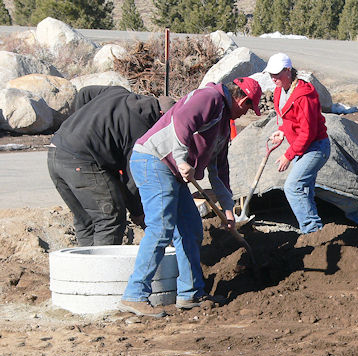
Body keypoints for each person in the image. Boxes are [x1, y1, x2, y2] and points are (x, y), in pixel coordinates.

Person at [118, 77, 262, 317]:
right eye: (249, 107)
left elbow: (219, 170)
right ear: (242, 99)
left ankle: (190, 293)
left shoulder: (224, 124)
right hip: (154, 160)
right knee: (161, 227)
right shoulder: (210, 97)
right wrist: (182, 158)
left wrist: (228, 209)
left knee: (191, 228)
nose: (245, 113)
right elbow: (181, 121)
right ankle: (134, 295)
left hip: (172, 170)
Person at [47, 85, 175, 247]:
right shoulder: (141, 128)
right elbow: (131, 179)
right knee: (110, 218)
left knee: (87, 220)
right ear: (162, 115)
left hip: (56, 150)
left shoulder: (117, 91)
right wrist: (138, 214)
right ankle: (101, 271)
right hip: (82, 162)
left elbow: (84, 93)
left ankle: (85, 268)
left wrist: (77, 126)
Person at [265, 53, 329, 234]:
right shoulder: (279, 91)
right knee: (304, 189)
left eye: (276, 74)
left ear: (288, 71)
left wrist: (288, 155)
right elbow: (289, 120)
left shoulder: (303, 95)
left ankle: (312, 230)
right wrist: (282, 131)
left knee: (293, 187)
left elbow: (307, 132)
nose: (273, 78)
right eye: (271, 74)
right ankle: (315, 233)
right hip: (303, 148)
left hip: (316, 147)